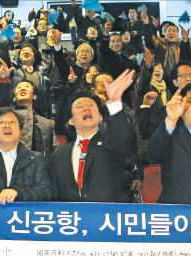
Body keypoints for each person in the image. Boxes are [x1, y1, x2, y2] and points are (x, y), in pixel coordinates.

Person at [50, 69, 135, 202]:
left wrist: (114, 102)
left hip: (107, 217)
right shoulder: (58, 155)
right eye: (79, 106)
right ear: (71, 121)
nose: (86, 108)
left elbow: (122, 137)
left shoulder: (110, 144)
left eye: (91, 105)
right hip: (72, 219)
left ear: (100, 117)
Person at [0, 58, 61, 157]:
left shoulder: (46, 123)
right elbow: (2, 106)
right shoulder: (8, 117)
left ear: (34, 96)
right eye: (18, 87)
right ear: (14, 98)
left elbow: (56, 152)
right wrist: (4, 80)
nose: (22, 88)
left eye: (27, 87)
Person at [141, 12, 191, 79]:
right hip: (162, 79)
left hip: (180, 78)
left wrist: (185, 40)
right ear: (164, 33)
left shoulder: (182, 46)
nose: (171, 32)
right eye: (169, 30)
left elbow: (188, 60)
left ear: (178, 35)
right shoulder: (159, 44)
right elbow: (149, 41)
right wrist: (146, 24)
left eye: (174, 31)